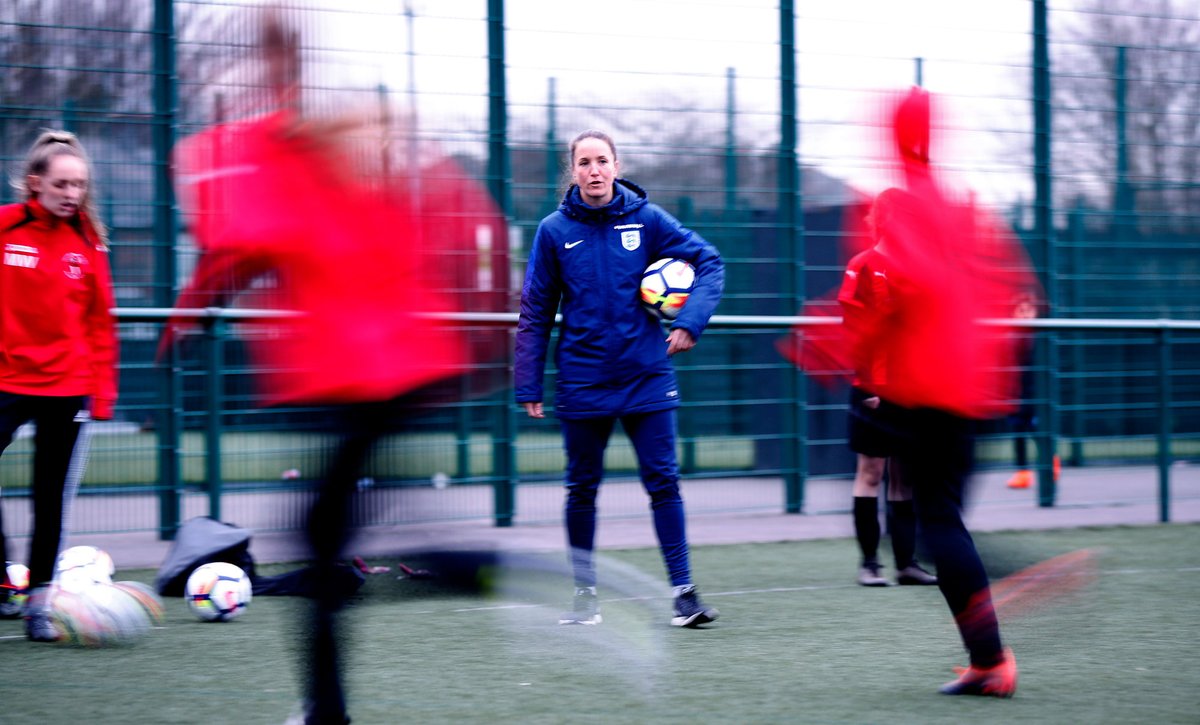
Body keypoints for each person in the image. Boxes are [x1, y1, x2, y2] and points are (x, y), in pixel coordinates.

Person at [165, 12, 497, 723]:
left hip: (370, 375)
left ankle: (462, 577)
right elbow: (465, 226)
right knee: (328, 535)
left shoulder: (288, 156)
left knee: (319, 542)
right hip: (399, 370)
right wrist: (195, 305)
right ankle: (340, 689)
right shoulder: (335, 159)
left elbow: (246, 240)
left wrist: (192, 305)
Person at [848, 88, 1036, 697]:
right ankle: (988, 662)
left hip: (925, 387)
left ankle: (1005, 620)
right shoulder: (960, 203)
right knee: (938, 518)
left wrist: (846, 348)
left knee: (937, 527)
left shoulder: (903, 207)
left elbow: (903, 287)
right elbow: (1013, 288)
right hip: (968, 386)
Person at [514, 130, 724, 628]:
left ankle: (684, 594)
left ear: (616, 164)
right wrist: (529, 383)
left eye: (602, 160)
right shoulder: (553, 230)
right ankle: (585, 597)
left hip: (646, 375)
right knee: (581, 488)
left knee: (664, 482)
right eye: (584, 162)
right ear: (573, 171)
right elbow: (535, 310)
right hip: (583, 379)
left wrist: (690, 321)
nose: (594, 170)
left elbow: (709, 262)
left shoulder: (648, 220)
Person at [0, 130, 118, 641]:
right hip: (6, 379)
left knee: (48, 499)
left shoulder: (89, 242)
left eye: (80, 185)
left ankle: (39, 607)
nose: (72, 193)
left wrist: (102, 395)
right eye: (62, 183)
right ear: (35, 183)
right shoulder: (6, 227)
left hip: (66, 388)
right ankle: (5, 578)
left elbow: (100, 323)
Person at [837, 207, 936, 588]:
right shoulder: (863, 265)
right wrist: (866, 383)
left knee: (905, 476)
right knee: (871, 472)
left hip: (911, 390)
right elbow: (853, 329)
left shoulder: (921, 269)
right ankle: (869, 564)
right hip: (873, 388)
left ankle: (907, 564)